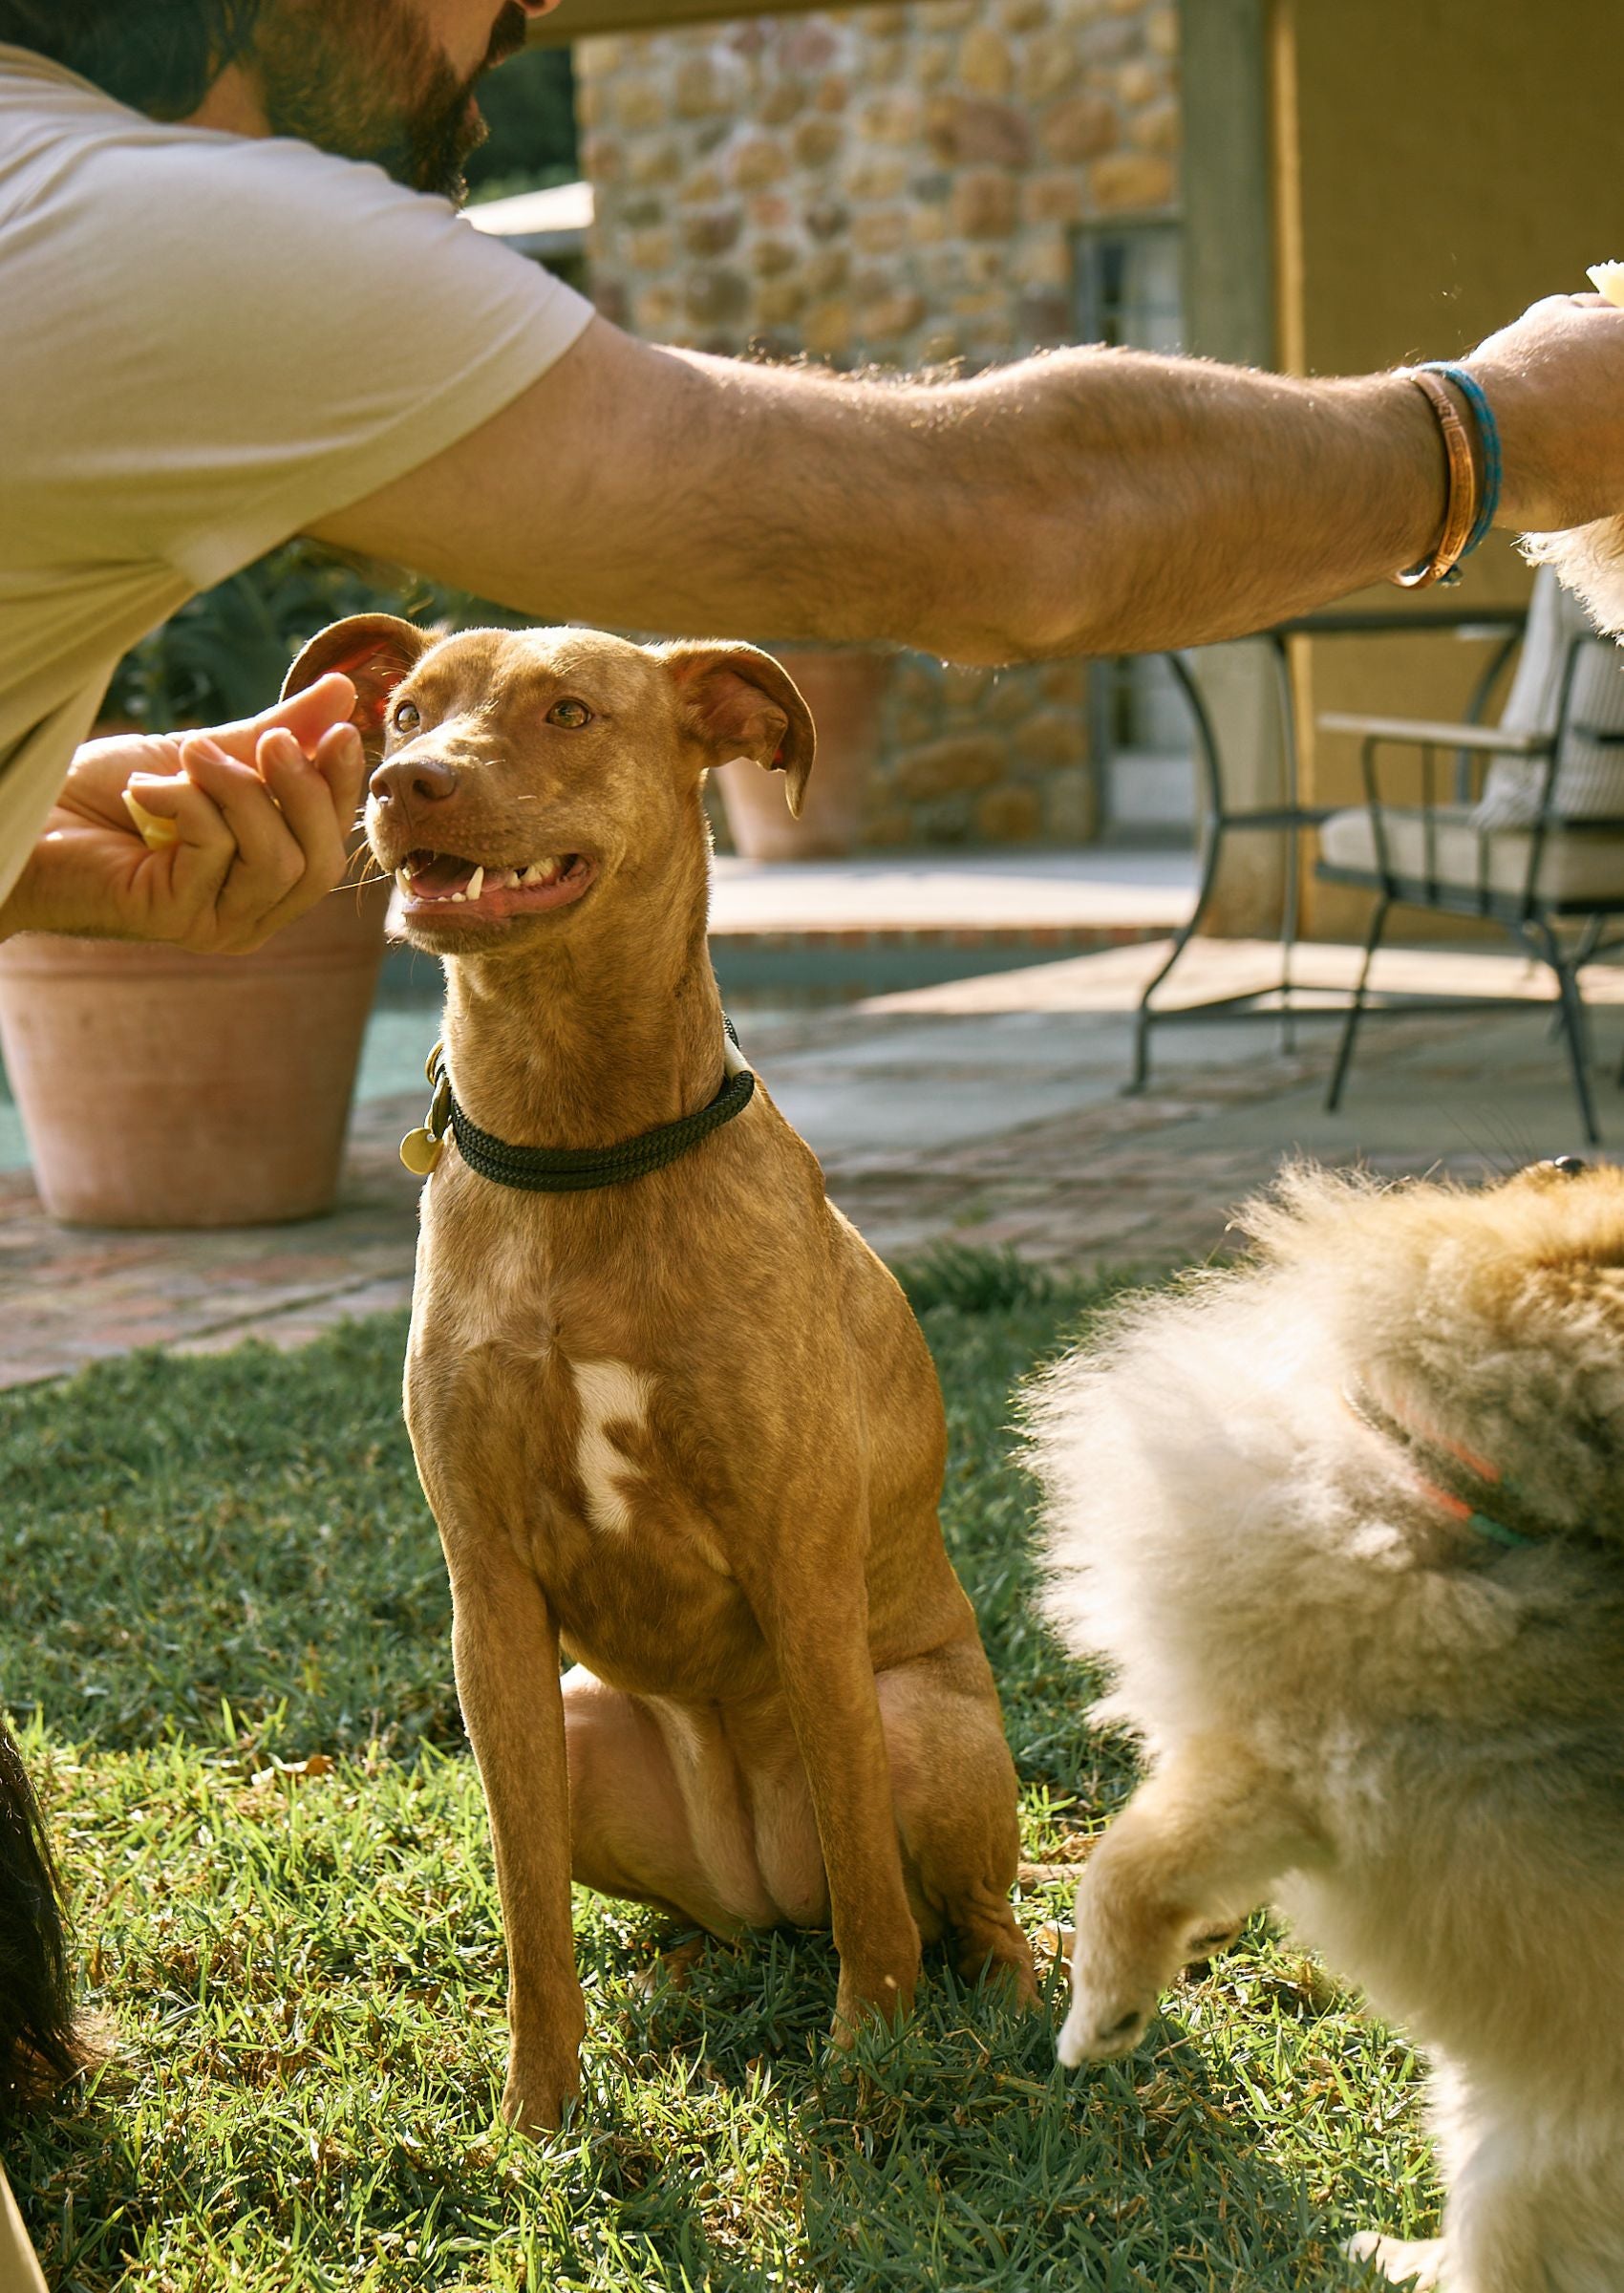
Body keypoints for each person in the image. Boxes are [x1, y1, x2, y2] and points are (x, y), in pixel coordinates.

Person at [2, 0, 1624, 2224]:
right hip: (649, 1712)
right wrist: (1511, 422)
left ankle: (892, 1947)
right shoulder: (182, 219)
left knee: (877, 1694)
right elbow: (1021, 520)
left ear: (707, 763)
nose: (534, 19)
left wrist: (44, 814)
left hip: (844, 1722)